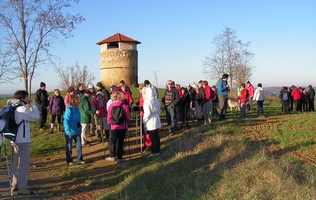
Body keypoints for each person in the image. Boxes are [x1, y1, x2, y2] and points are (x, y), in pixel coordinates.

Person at [9, 90, 40, 195]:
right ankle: (22, 188)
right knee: (23, 164)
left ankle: (14, 184)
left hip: (13, 140)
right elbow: (36, 117)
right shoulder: (22, 109)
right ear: (22, 98)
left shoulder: (13, 107)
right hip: (22, 140)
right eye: (27, 97)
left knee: (15, 163)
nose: (28, 99)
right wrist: (33, 104)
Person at [106, 90, 131, 163]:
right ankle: (119, 157)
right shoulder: (124, 106)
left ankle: (112, 156)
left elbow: (109, 117)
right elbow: (128, 117)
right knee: (120, 142)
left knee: (113, 141)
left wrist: (112, 123)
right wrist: (127, 123)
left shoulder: (111, 106)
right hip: (123, 126)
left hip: (114, 126)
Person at [63, 95, 85, 166]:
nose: (79, 103)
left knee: (79, 146)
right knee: (69, 147)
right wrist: (67, 129)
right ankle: (69, 160)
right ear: (74, 102)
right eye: (78, 101)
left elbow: (78, 120)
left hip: (77, 131)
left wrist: (80, 127)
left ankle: (80, 159)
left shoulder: (77, 109)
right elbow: (66, 120)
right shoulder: (69, 109)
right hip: (70, 132)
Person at [143, 86, 162, 157]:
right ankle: (158, 150)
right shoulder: (156, 100)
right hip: (157, 119)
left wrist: (144, 120)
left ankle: (154, 151)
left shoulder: (147, 101)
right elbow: (159, 110)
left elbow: (147, 113)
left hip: (150, 120)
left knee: (153, 137)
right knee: (157, 136)